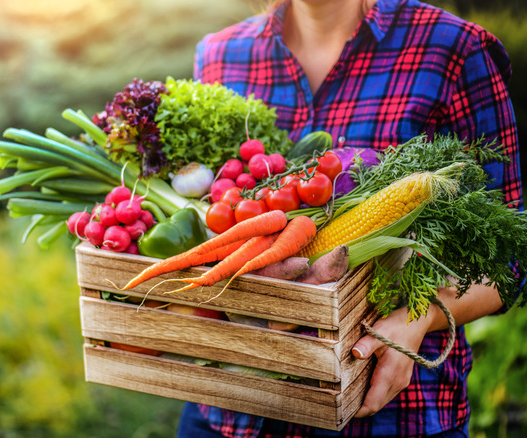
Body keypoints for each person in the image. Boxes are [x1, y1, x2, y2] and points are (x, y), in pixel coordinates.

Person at [178, 0, 523, 436]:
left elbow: (509, 263)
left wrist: (415, 321)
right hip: (232, 410)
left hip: (388, 412)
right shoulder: (221, 54)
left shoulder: (454, 50)